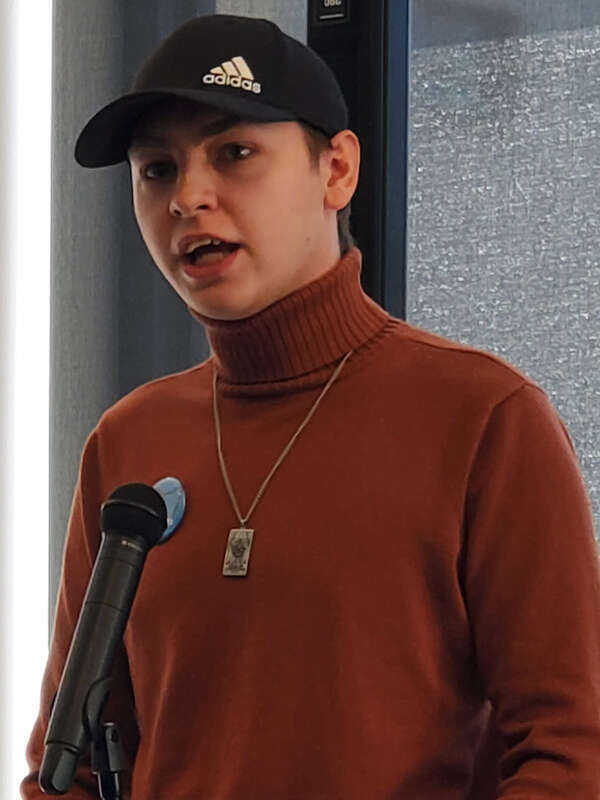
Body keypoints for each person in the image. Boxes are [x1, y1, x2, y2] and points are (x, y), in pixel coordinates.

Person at [21, 13, 600, 799]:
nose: (189, 197)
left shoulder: (485, 418)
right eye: (156, 170)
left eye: (234, 153)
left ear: (337, 171)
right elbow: (71, 769)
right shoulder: (129, 442)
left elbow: (571, 752)